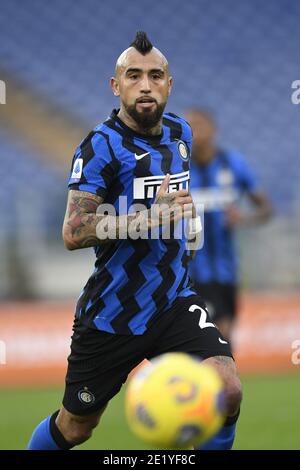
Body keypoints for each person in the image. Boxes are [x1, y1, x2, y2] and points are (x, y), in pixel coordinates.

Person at [27, 32, 242, 451]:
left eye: (155, 75)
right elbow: (73, 231)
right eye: (134, 75)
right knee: (76, 426)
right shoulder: (99, 147)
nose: (145, 85)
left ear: (169, 84)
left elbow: (174, 196)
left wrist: (183, 216)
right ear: (116, 85)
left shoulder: (180, 132)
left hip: (174, 300)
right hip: (113, 313)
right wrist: (147, 219)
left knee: (227, 389)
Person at [186, 109, 272, 341]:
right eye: (188, 127)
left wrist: (243, 217)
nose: (193, 133)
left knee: (224, 338)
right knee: (215, 334)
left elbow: (266, 209)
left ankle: (218, 375)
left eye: (198, 126)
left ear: (213, 130)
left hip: (227, 270)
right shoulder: (176, 170)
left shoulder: (232, 163)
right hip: (190, 271)